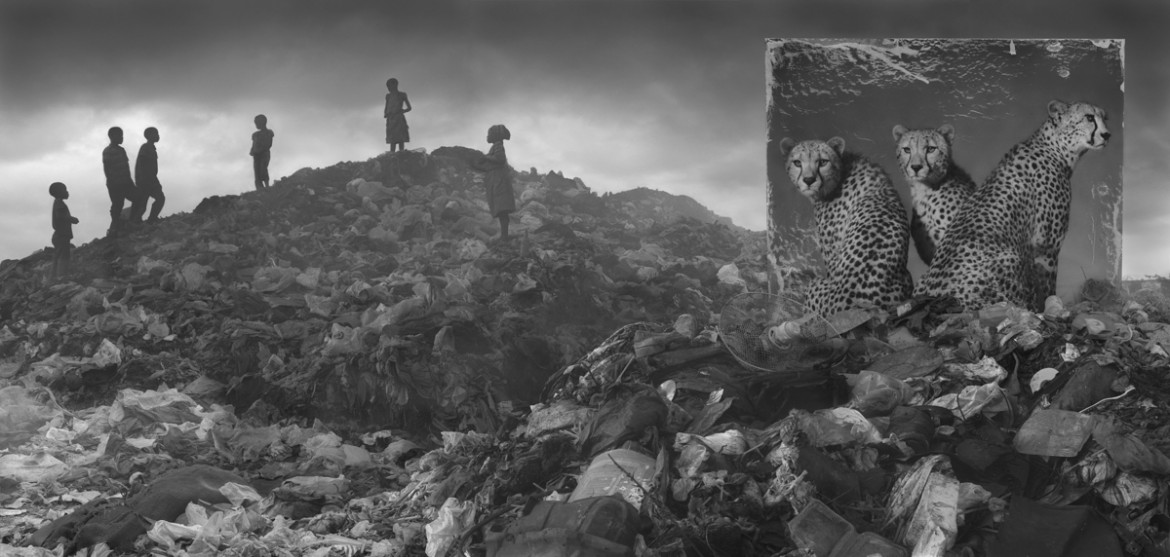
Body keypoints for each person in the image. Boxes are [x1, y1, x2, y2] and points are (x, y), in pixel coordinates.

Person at [473, 124, 515, 242]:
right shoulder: (495, 147)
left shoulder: (498, 146)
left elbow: (500, 159)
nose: (487, 136)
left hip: (499, 180)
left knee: (502, 209)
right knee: (501, 209)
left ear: (495, 136)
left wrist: (486, 158)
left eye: (489, 134)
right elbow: (493, 163)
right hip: (496, 178)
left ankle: (504, 236)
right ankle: (504, 235)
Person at [102, 126, 141, 235]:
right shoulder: (107, 151)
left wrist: (130, 182)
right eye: (120, 136)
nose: (122, 138)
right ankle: (114, 227)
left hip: (126, 183)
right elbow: (107, 169)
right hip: (115, 185)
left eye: (122, 136)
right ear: (112, 136)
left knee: (138, 198)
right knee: (117, 206)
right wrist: (113, 183)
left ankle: (132, 221)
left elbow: (126, 168)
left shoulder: (121, 150)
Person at [135, 127, 166, 223]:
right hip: (145, 180)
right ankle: (136, 222)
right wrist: (146, 180)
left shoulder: (151, 148)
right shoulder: (146, 147)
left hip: (150, 179)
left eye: (158, 133)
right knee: (143, 204)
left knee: (159, 198)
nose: (157, 136)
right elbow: (143, 162)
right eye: (155, 133)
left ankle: (151, 219)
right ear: (148, 136)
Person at [49, 182, 79, 279]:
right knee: (64, 256)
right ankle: (61, 276)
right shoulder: (59, 203)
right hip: (61, 235)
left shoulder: (58, 203)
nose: (67, 192)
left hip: (60, 235)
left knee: (58, 256)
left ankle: (53, 277)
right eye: (65, 190)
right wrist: (72, 219)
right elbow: (60, 216)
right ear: (59, 192)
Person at [383, 78, 412, 153]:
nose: (388, 88)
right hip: (391, 120)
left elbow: (409, 108)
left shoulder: (402, 95)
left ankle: (401, 153)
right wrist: (386, 114)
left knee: (400, 139)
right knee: (392, 140)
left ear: (395, 85)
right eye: (387, 86)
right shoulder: (388, 96)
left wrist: (402, 111)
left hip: (399, 119)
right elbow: (386, 108)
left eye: (389, 86)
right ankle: (392, 155)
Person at [250, 114, 274, 189]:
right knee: (257, 173)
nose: (256, 124)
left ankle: (267, 186)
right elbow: (253, 145)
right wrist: (252, 151)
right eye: (255, 123)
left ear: (263, 122)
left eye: (257, 122)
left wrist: (260, 150)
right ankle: (260, 189)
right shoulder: (255, 135)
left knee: (263, 170)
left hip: (264, 154)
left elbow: (269, 144)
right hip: (256, 155)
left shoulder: (269, 132)